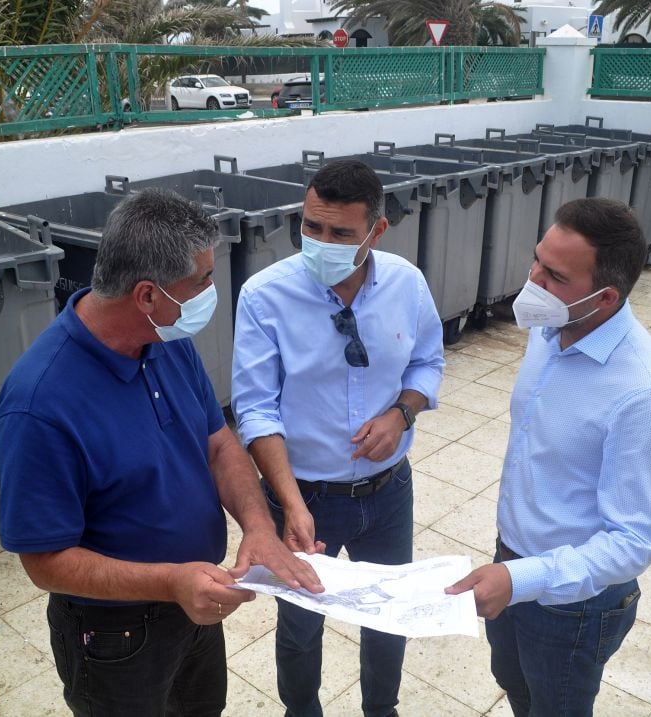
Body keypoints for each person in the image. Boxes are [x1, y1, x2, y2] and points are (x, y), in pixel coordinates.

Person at [0, 187, 323, 717]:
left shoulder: (165, 340)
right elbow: (44, 560)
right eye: (202, 281)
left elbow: (218, 444)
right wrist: (168, 581)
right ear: (147, 295)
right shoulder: (40, 405)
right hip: (115, 636)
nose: (211, 291)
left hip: (193, 606)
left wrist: (258, 527)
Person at [446, 198, 651, 717]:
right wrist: (510, 568)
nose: (533, 281)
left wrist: (523, 579)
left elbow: (634, 542)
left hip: (574, 605)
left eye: (554, 276)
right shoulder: (552, 327)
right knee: (513, 682)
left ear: (604, 298)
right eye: (537, 260)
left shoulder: (646, 396)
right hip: (511, 557)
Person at [231, 159, 445, 717]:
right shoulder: (264, 297)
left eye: (340, 233)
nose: (320, 243)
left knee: (387, 618)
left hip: (388, 493)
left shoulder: (407, 284)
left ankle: (383, 708)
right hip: (306, 499)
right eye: (310, 227)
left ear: (377, 230)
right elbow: (256, 411)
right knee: (301, 625)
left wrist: (402, 413)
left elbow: (427, 364)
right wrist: (292, 504)